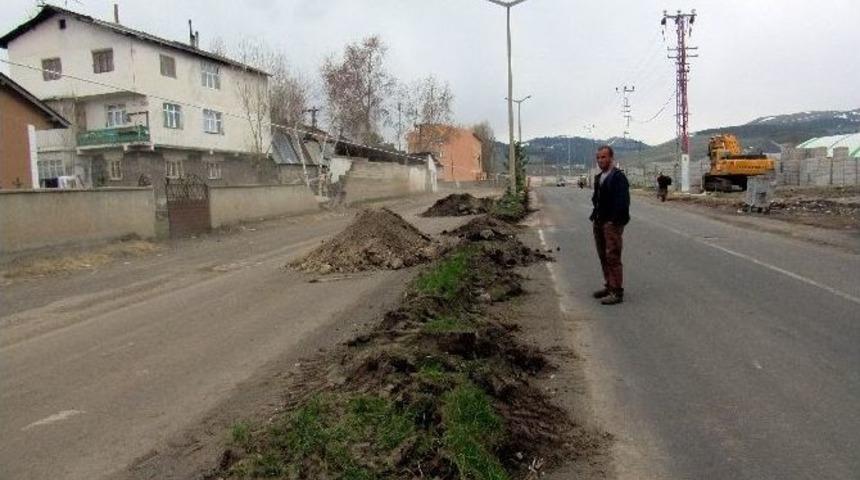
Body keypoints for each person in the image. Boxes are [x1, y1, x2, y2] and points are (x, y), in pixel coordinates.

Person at [589, 145, 630, 305]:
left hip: (611, 223)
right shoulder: (599, 177)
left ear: (611, 158)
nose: (600, 160)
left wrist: (613, 221)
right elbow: (596, 199)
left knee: (613, 255)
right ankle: (609, 285)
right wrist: (596, 217)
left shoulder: (618, 177)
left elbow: (623, 202)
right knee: (603, 255)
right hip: (599, 221)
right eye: (598, 157)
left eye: (604, 157)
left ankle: (617, 291)